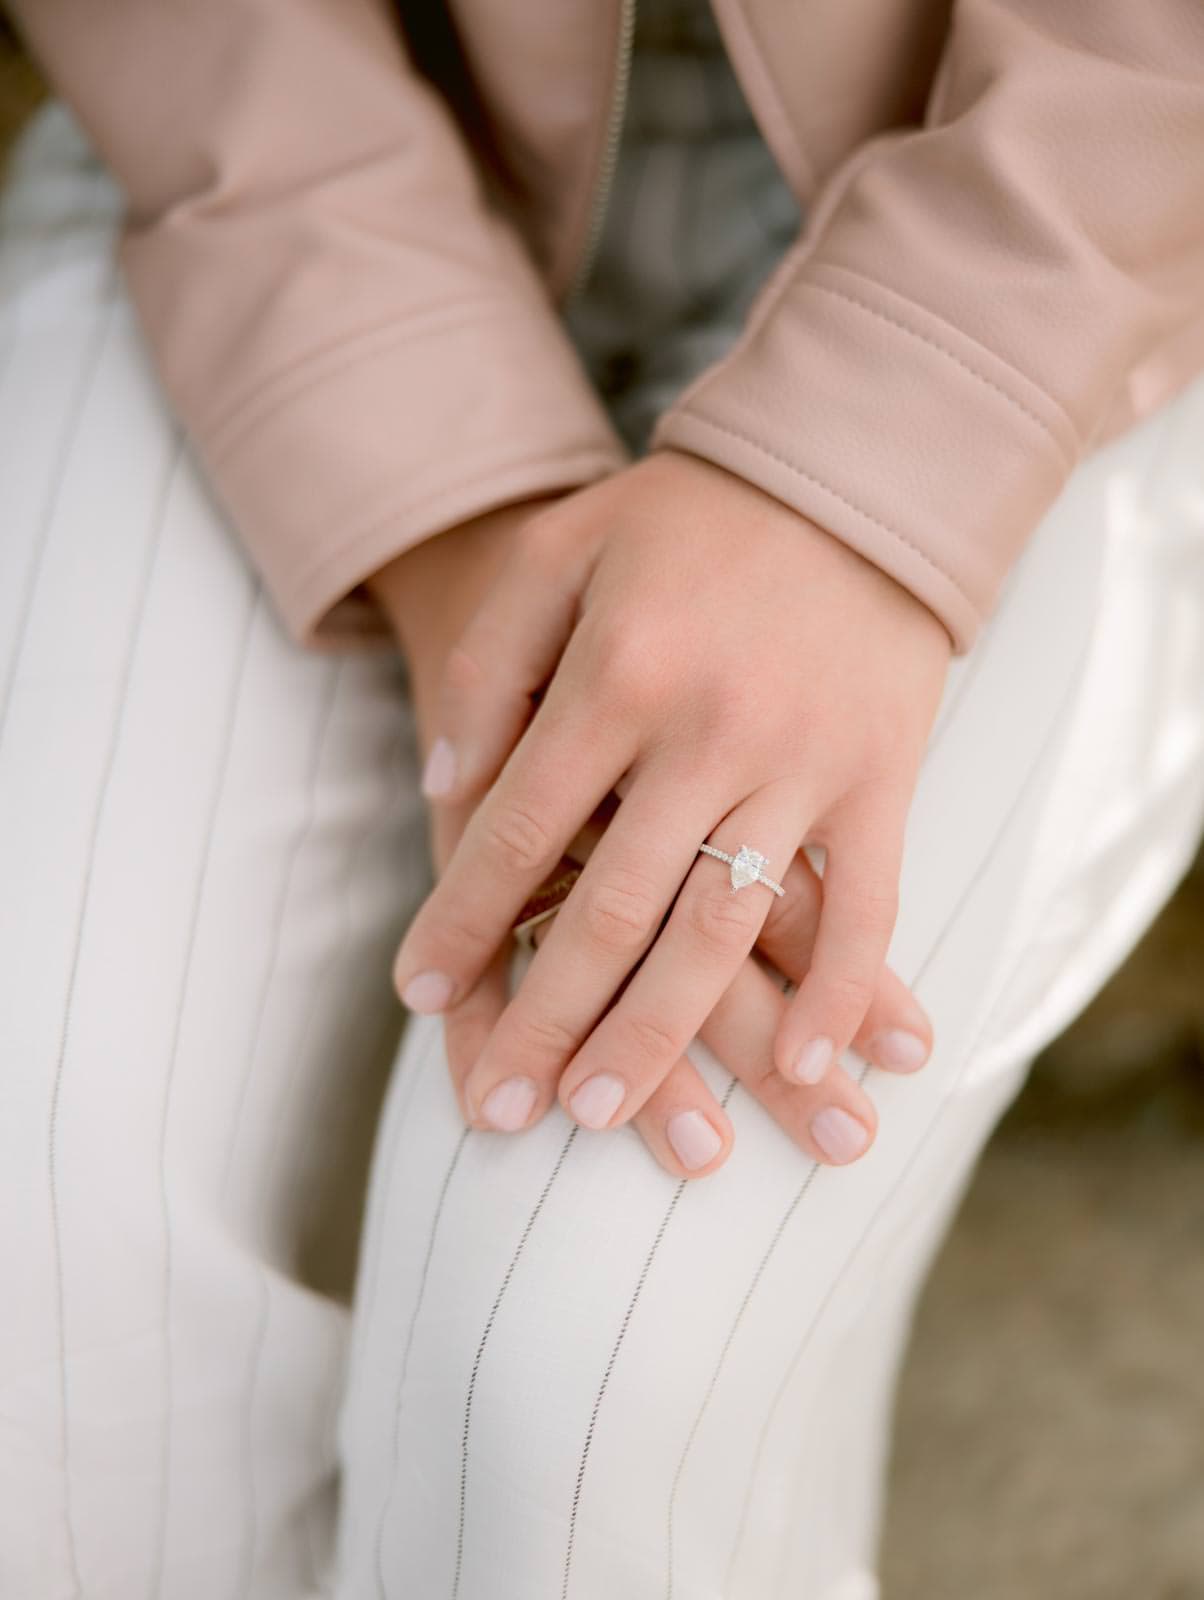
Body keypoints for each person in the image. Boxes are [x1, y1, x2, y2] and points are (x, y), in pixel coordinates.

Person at [2, 1, 1204, 1595]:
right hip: (267, 152)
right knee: (45, 1299)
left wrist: (878, 469)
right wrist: (440, 503)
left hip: (1081, 210)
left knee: (571, 1389)